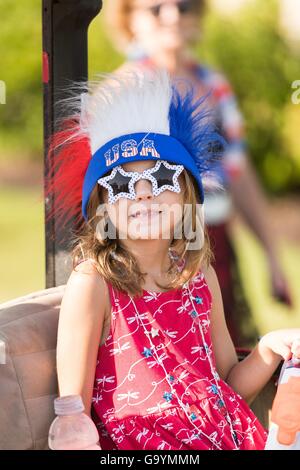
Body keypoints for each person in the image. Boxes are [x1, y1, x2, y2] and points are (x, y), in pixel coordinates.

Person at [48, 70, 300, 450]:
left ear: (187, 197)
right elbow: (73, 411)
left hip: (226, 439)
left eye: (161, 177)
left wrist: (266, 349)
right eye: (121, 185)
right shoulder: (93, 284)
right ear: (101, 206)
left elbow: (226, 385)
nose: (144, 196)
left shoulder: (198, 276)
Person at [103, 0, 292, 346]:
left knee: (225, 358)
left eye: (184, 5)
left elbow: (238, 170)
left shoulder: (213, 83)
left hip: (216, 242)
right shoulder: (124, 89)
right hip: (159, 249)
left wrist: (271, 255)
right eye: (156, 8)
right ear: (130, 19)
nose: (173, 15)